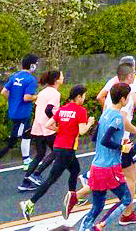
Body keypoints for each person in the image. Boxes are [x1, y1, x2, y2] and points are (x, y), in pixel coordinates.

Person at [19, 85, 93, 220]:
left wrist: (60, 130)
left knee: (75, 170)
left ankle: (73, 198)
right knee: (51, 179)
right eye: (83, 96)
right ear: (78, 97)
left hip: (59, 146)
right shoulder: (81, 111)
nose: (84, 98)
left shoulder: (62, 109)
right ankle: (29, 203)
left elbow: (48, 125)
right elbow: (82, 131)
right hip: (67, 149)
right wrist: (90, 123)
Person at [76, 83, 136, 231]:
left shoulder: (105, 113)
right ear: (123, 99)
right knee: (126, 199)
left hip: (96, 166)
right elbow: (105, 140)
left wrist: (117, 141)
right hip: (110, 168)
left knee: (98, 205)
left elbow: (95, 138)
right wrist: (122, 147)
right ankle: (99, 226)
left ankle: (85, 228)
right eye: (128, 97)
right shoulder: (118, 118)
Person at [21, 69, 63, 189]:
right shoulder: (55, 94)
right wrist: (55, 121)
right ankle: (36, 174)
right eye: (61, 76)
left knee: (39, 154)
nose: (63, 78)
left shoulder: (43, 92)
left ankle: (26, 181)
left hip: (37, 126)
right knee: (57, 151)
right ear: (56, 80)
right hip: (47, 127)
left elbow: (39, 108)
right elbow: (49, 110)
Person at [0, 55, 38, 167]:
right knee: (13, 141)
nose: (36, 66)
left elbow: (3, 91)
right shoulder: (31, 79)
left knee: (26, 134)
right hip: (22, 113)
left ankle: (26, 159)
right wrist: (38, 96)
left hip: (14, 111)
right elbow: (27, 97)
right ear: (32, 65)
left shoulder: (15, 76)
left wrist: (13, 100)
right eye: (36, 64)